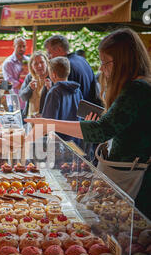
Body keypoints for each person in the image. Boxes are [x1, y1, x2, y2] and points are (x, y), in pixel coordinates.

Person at [26, 28, 151, 219]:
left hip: (132, 179)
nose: (101, 68)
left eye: (105, 62)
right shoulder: (139, 86)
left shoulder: (136, 89)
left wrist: (48, 123)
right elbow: (113, 127)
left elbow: (101, 131)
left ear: (123, 61)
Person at [44, 35, 101, 162]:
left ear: (58, 50)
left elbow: (51, 120)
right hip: (81, 131)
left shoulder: (67, 67)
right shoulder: (83, 61)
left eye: (49, 53)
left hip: (65, 138)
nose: (49, 57)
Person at [42, 56, 82, 145]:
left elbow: (48, 122)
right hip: (75, 141)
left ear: (54, 75)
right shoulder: (77, 90)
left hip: (59, 144)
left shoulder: (54, 92)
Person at [19, 51, 51, 119]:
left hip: (46, 119)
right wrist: (29, 88)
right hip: (30, 118)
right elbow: (22, 97)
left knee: (48, 130)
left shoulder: (52, 77)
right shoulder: (30, 77)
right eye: (35, 64)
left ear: (46, 63)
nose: (39, 66)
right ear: (32, 66)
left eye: (42, 62)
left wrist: (50, 89)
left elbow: (57, 102)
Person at [2, 37, 29, 109]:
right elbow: (9, 82)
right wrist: (27, 86)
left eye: (23, 46)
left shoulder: (28, 60)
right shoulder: (8, 62)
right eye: (19, 46)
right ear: (14, 46)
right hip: (15, 102)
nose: (22, 49)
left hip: (28, 102)